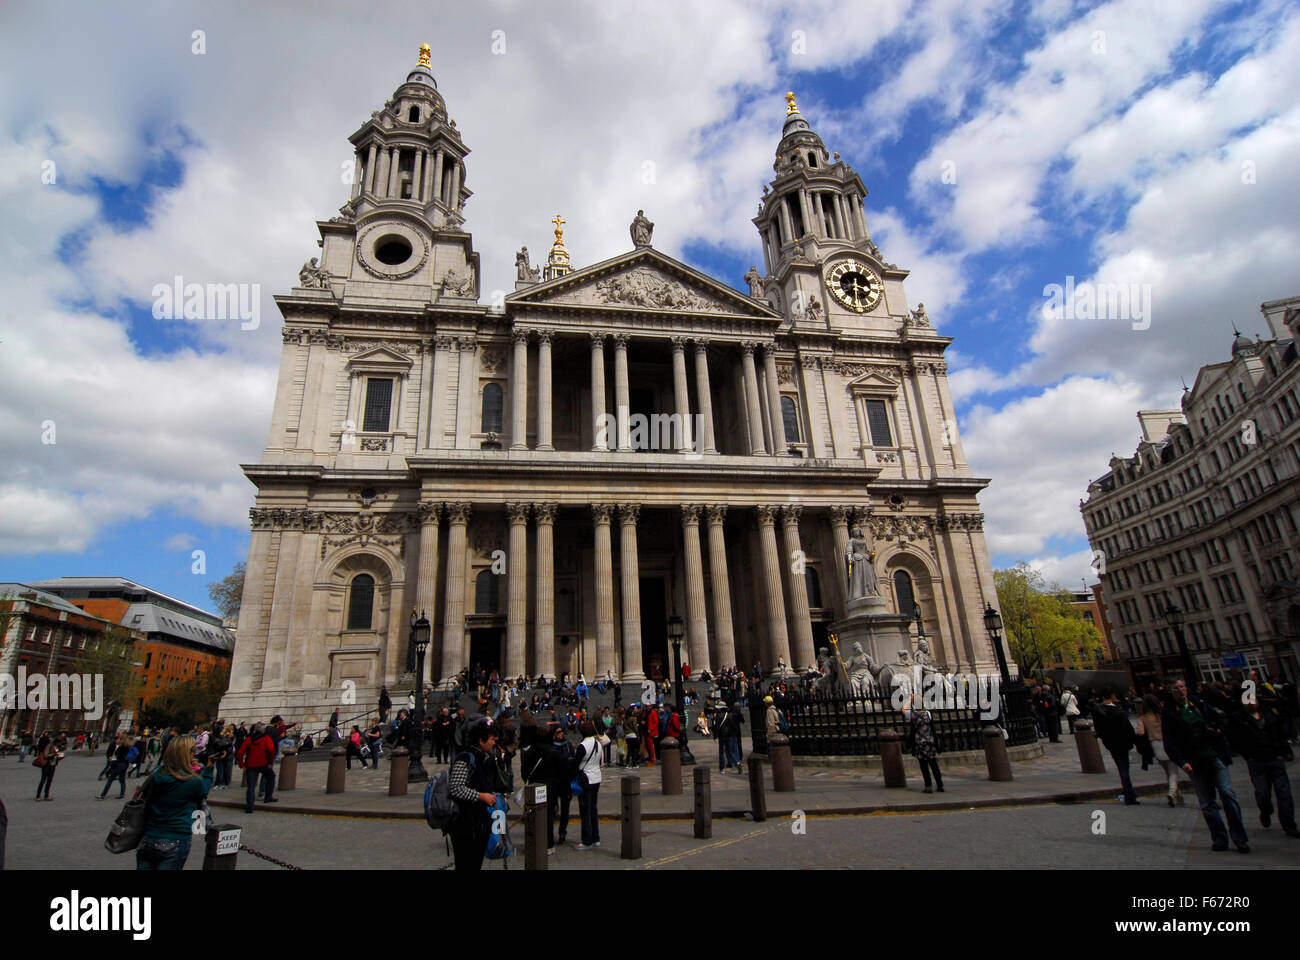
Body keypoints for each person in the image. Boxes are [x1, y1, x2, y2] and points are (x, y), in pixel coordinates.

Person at [1163, 678, 1249, 853]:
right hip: (1194, 761)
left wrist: (1217, 730)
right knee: (1207, 802)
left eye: (1182, 686)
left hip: (1214, 755)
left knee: (1227, 794)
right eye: (1176, 688)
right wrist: (1182, 762)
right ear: (1170, 691)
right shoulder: (1169, 712)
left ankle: (1240, 838)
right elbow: (1170, 741)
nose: (1181, 690)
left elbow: (1218, 720)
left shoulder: (1199, 702)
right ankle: (1219, 838)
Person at [136, 735, 215, 870]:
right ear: (187, 755)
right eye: (192, 751)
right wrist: (208, 769)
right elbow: (204, 789)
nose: (195, 754)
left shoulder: (157, 774)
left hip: (149, 837)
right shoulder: (192, 781)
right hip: (175, 837)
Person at [1228, 695, 1299, 837]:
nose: (1251, 704)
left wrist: (1284, 752)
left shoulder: (1269, 714)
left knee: (1284, 793)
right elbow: (1234, 739)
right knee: (1262, 793)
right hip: (1256, 761)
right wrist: (1247, 755)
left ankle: (1289, 825)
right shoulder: (1238, 718)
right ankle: (1265, 811)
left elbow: (1281, 733)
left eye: (1253, 700)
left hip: (1275, 758)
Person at [446, 718, 501, 871]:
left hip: (480, 824)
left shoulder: (485, 758)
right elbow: (456, 788)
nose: (494, 743)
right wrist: (481, 796)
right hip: (464, 824)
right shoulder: (465, 758)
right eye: (491, 739)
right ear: (481, 740)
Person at [1093, 691, 1139, 805]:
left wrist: (1105, 739)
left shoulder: (1100, 712)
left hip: (1111, 743)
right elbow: (1128, 728)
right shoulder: (1118, 711)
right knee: (1124, 768)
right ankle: (1129, 794)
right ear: (1113, 697)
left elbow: (1098, 729)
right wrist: (1133, 740)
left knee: (1121, 767)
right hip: (1122, 742)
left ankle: (1128, 791)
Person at [1137, 693, 1180, 806]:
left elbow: (1140, 732)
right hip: (1167, 742)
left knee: (1167, 770)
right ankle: (1172, 792)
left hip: (1155, 744)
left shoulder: (1143, 716)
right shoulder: (1163, 713)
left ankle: (1177, 794)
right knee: (1173, 771)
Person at [574, 719, 609, 850]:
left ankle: (587, 840)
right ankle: (596, 837)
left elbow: (575, 764)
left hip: (586, 779)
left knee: (585, 810)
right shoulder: (598, 744)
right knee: (593, 809)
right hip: (596, 778)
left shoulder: (583, 746)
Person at [545, 723, 575, 850]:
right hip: (553, 782)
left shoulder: (568, 745)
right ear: (553, 735)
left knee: (565, 808)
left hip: (565, 781)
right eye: (558, 732)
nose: (561, 734)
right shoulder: (550, 747)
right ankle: (550, 834)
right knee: (551, 809)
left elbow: (573, 760)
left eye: (562, 731)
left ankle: (563, 832)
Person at [236, 722, 278, 813]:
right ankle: (268, 797)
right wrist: (270, 762)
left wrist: (241, 764)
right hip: (263, 764)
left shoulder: (249, 739)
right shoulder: (266, 738)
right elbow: (271, 750)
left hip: (250, 765)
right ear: (263, 730)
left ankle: (249, 807)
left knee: (251, 786)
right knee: (271, 777)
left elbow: (240, 752)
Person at [905, 697, 944, 793]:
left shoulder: (912, 715)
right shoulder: (928, 714)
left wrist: (910, 699)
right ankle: (940, 785)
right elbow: (933, 728)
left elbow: (904, 708)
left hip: (919, 743)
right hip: (930, 742)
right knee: (934, 764)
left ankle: (928, 786)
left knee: (924, 765)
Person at [97, 734, 132, 800]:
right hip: (125, 764)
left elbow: (116, 754)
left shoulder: (121, 747)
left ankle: (103, 795)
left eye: (119, 739)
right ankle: (122, 793)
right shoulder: (129, 747)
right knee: (122, 780)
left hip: (119, 765)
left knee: (110, 779)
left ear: (121, 740)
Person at [34, 733, 64, 800]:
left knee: (49, 780)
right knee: (43, 780)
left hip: (53, 764)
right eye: (60, 743)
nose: (60, 744)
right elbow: (46, 755)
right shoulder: (49, 746)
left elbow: (56, 756)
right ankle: (38, 796)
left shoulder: (56, 747)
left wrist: (60, 757)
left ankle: (46, 795)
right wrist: (54, 754)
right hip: (46, 764)